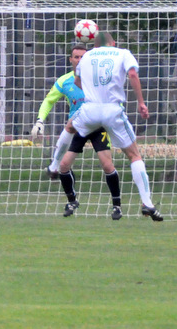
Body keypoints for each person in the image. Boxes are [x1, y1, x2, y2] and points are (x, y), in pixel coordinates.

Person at [57, 31, 163, 222]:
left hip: (89, 111)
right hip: (112, 110)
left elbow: (77, 81)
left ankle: (53, 165)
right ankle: (147, 203)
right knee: (134, 155)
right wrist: (141, 102)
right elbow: (132, 74)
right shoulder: (122, 53)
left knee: (71, 128)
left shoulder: (87, 56)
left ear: (95, 44)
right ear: (113, 43)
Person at [30, 44, 126, 219]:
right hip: (78, 127)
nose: (80, 60)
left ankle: (117, 206)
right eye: (76, 57)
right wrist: (40, 121)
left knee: (107, 165)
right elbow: (48, 101)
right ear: (71, 60)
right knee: (64, 166)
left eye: (83, 57)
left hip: (98, 127)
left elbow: (115, 99)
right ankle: (72, 201)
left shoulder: (99, 79)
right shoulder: (64, 81)